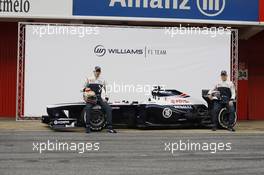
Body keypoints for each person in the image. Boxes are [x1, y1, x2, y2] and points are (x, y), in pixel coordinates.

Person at [83, 66, 117, 134]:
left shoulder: (102, 80)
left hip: (99, 97)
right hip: (91, 98)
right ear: (94, 71)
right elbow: (83, 88)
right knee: (88, 109)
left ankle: (110, 128)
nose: (97, 72)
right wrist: (85, 94)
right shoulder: (89, 79)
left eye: (99, 71)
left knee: (109, 109)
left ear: (100, 72)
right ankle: (87, 127)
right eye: (96, 71)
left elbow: (107, 88)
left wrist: (106, 98)